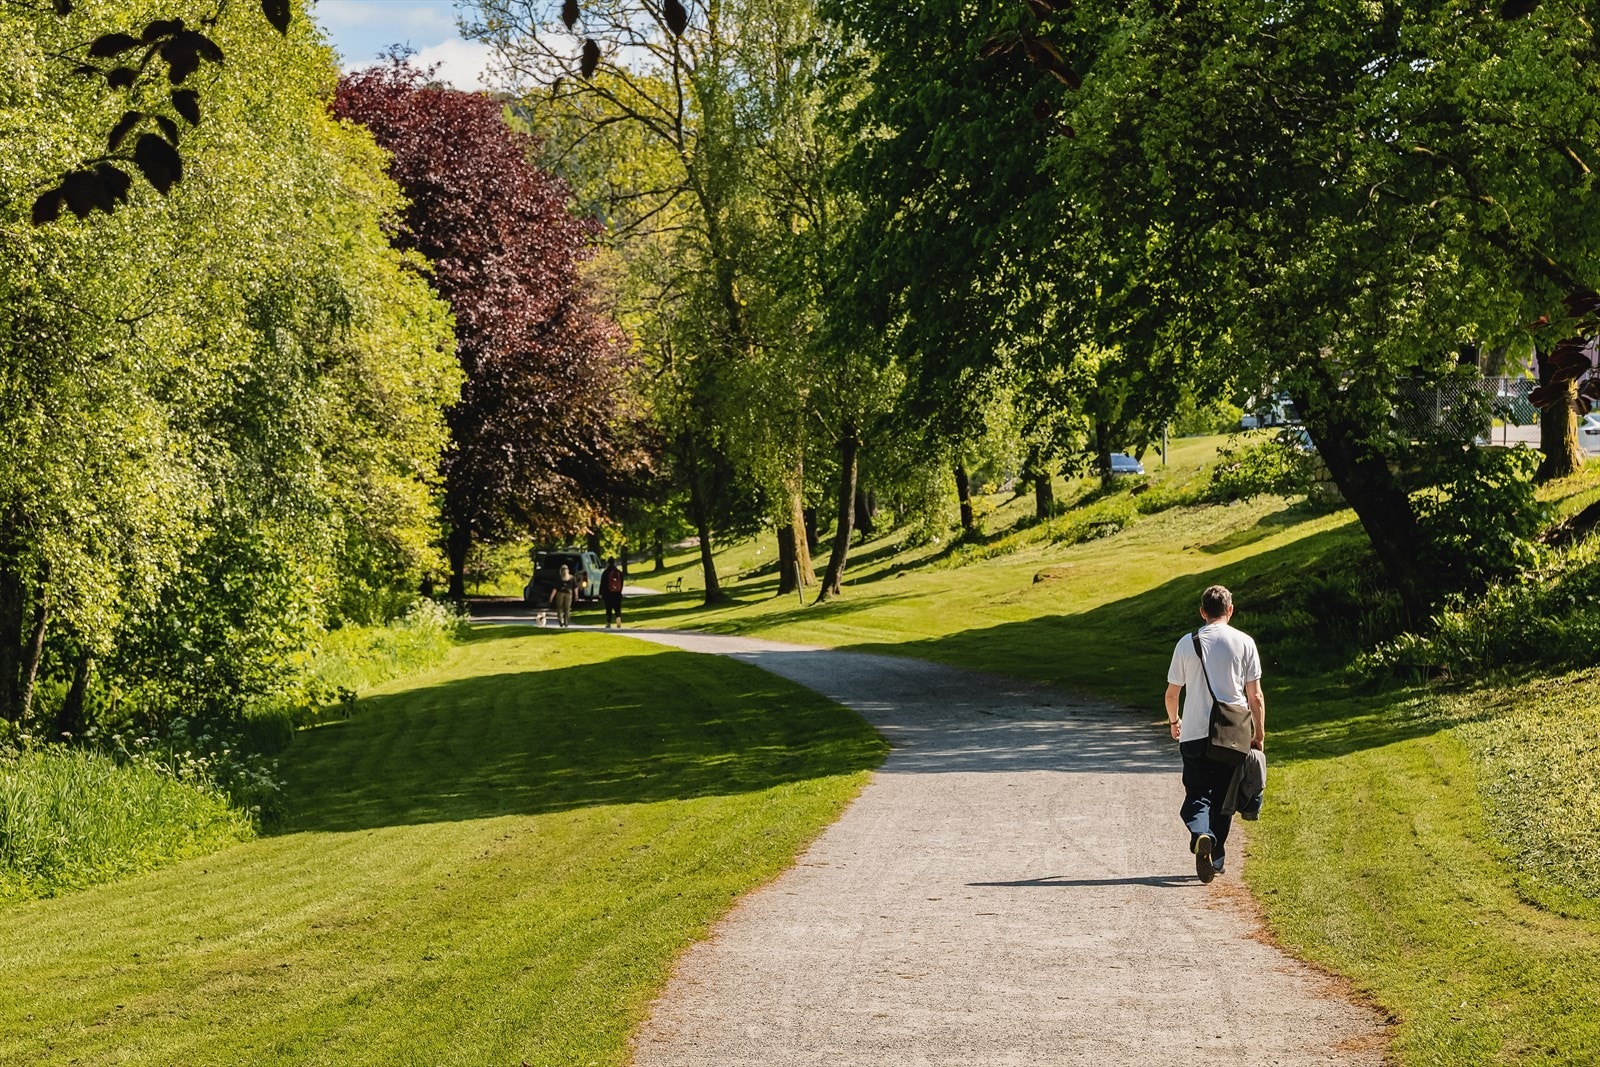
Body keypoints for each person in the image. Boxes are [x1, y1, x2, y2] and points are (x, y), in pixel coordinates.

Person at [1163, 584, 1265, 883]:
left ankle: (1201, 833)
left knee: (1198, 792)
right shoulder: (1244, 642)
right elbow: (1255, 696)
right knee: (1224, 797)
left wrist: (1174, 721)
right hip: (1233, 733)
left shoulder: (1186, 643)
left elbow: (1172, 694)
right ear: (1230, 610)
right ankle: (1217, 856)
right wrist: (1259, 734)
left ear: (1202, 612)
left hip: (1194, 731)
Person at [550, 564, 579, 628]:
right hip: (569, 593)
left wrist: (551, 597)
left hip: (560, 593)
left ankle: (561, 622)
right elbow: (575, 587)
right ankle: (566, 623)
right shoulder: (572, 577)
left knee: (559, 608)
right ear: (568, 570)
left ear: (561, 571)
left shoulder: (559, 578)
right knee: (567, 609)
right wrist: (576, 595)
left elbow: (555, 588)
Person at [600, 557, 625, 628]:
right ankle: (618, 621)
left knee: (608, 609)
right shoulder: (619, 572)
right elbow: (621, 583)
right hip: (617, 593)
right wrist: (619, 591)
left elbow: (603, 583)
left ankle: (608, 623)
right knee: (617, 608)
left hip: (608, 594)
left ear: (608, 562)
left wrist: (601, 593)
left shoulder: (606, 572)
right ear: (614, 562)